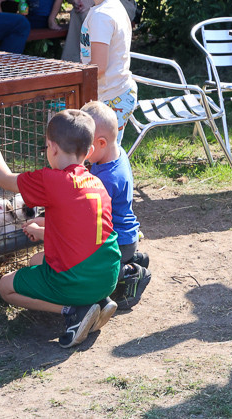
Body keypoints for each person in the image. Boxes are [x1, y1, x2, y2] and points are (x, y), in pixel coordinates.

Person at [0, 109, 121, 348]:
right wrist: (44, 231)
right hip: (108, 274)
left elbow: (5, 179)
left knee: (5, 287)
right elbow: (77, 232)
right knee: (36, 260)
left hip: (76, 281)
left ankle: (74, 310)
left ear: (51, 148)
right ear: (90, 151)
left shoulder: (50, 180)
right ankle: (100, 300)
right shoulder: (95, 182)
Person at [60, 0, 137, 145]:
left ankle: (111, 176)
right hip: (114, 92)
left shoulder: (102, 17)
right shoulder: (110, 5)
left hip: (111, 99)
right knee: (100, 150)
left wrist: (73, 78)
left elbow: (99, 67)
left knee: (103, 152)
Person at [82, 101, 150, 309]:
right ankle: (133, 258)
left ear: (101, 143)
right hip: (126, 235)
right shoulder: (116, 151)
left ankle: (131, 272)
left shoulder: (106, 179)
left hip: (117, 241)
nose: (80, 148)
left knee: (92, 274)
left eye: (85, 144)